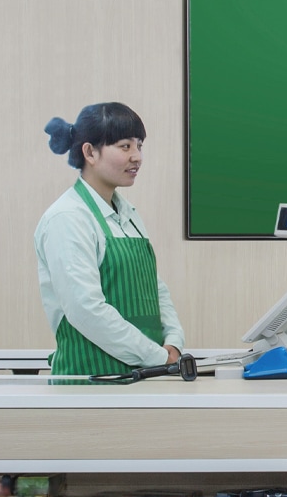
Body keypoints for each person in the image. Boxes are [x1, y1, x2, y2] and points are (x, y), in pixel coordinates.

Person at [35, 102, 186, 377]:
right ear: (90, 152)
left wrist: (174, 341)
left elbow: (155, 288)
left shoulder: (127, 213)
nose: (137, 156)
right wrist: (157, 356)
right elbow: (86, 310)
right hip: (92, 383)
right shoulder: (68, 218)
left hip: (147, 375)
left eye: (139, 145)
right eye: (125, 146)